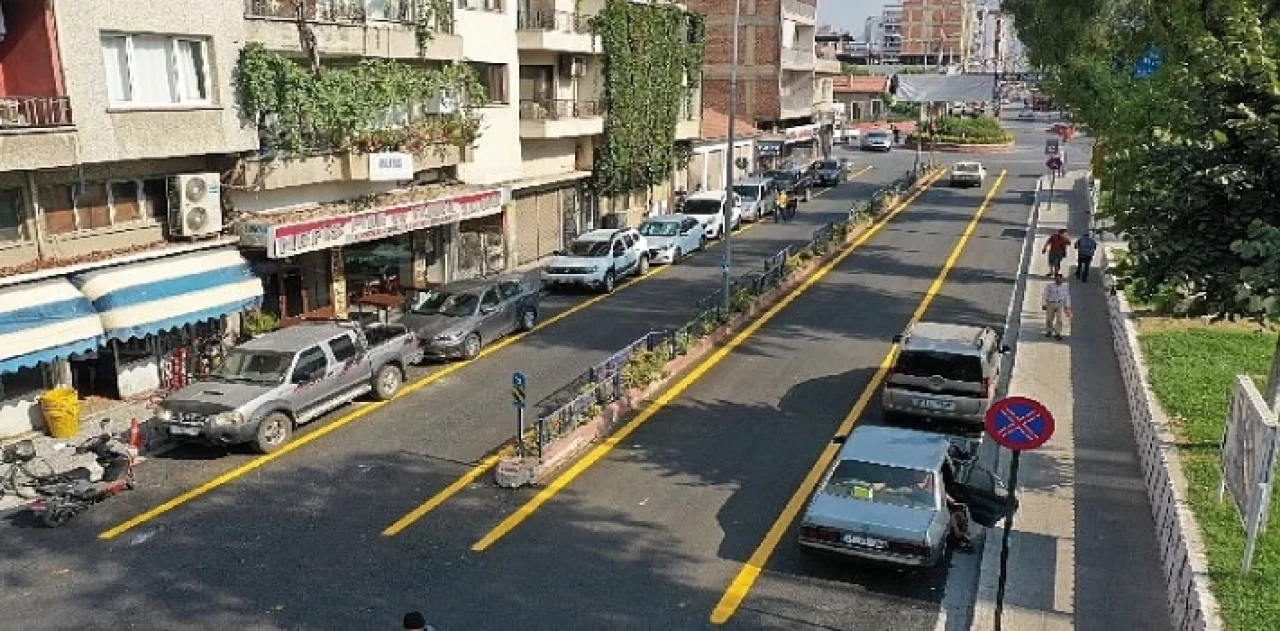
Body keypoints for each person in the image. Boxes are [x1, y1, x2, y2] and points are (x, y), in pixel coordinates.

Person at [1042, 272, 1073, 340]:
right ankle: (1049, 330)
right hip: (1050, 303)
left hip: (1060, 304)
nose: (1058, 280)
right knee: (1049, 318)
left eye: (1059, 279)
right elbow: (1045, 294)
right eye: (1056, 279)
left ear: (1062, 279)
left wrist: (1067, 306)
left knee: (1060, 319)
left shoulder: (1065, 287)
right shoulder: (1050, 286)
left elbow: (1067, 296)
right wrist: (1044, 304)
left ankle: (1057, 333)